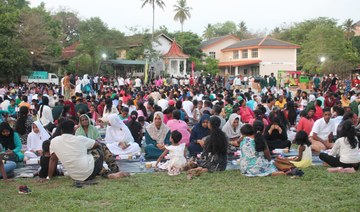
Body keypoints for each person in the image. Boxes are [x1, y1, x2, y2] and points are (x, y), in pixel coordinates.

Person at [48, 120, 127, 182]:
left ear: (61, 130)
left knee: (90, 160)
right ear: (73, 130)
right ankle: (114, 169)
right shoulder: (80, 139)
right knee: (101, 147)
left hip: (75, 176)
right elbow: (97, 145)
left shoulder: (54, 141)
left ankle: (107, 174)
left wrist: (49, 177)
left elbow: (53, 159)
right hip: (89, 171)